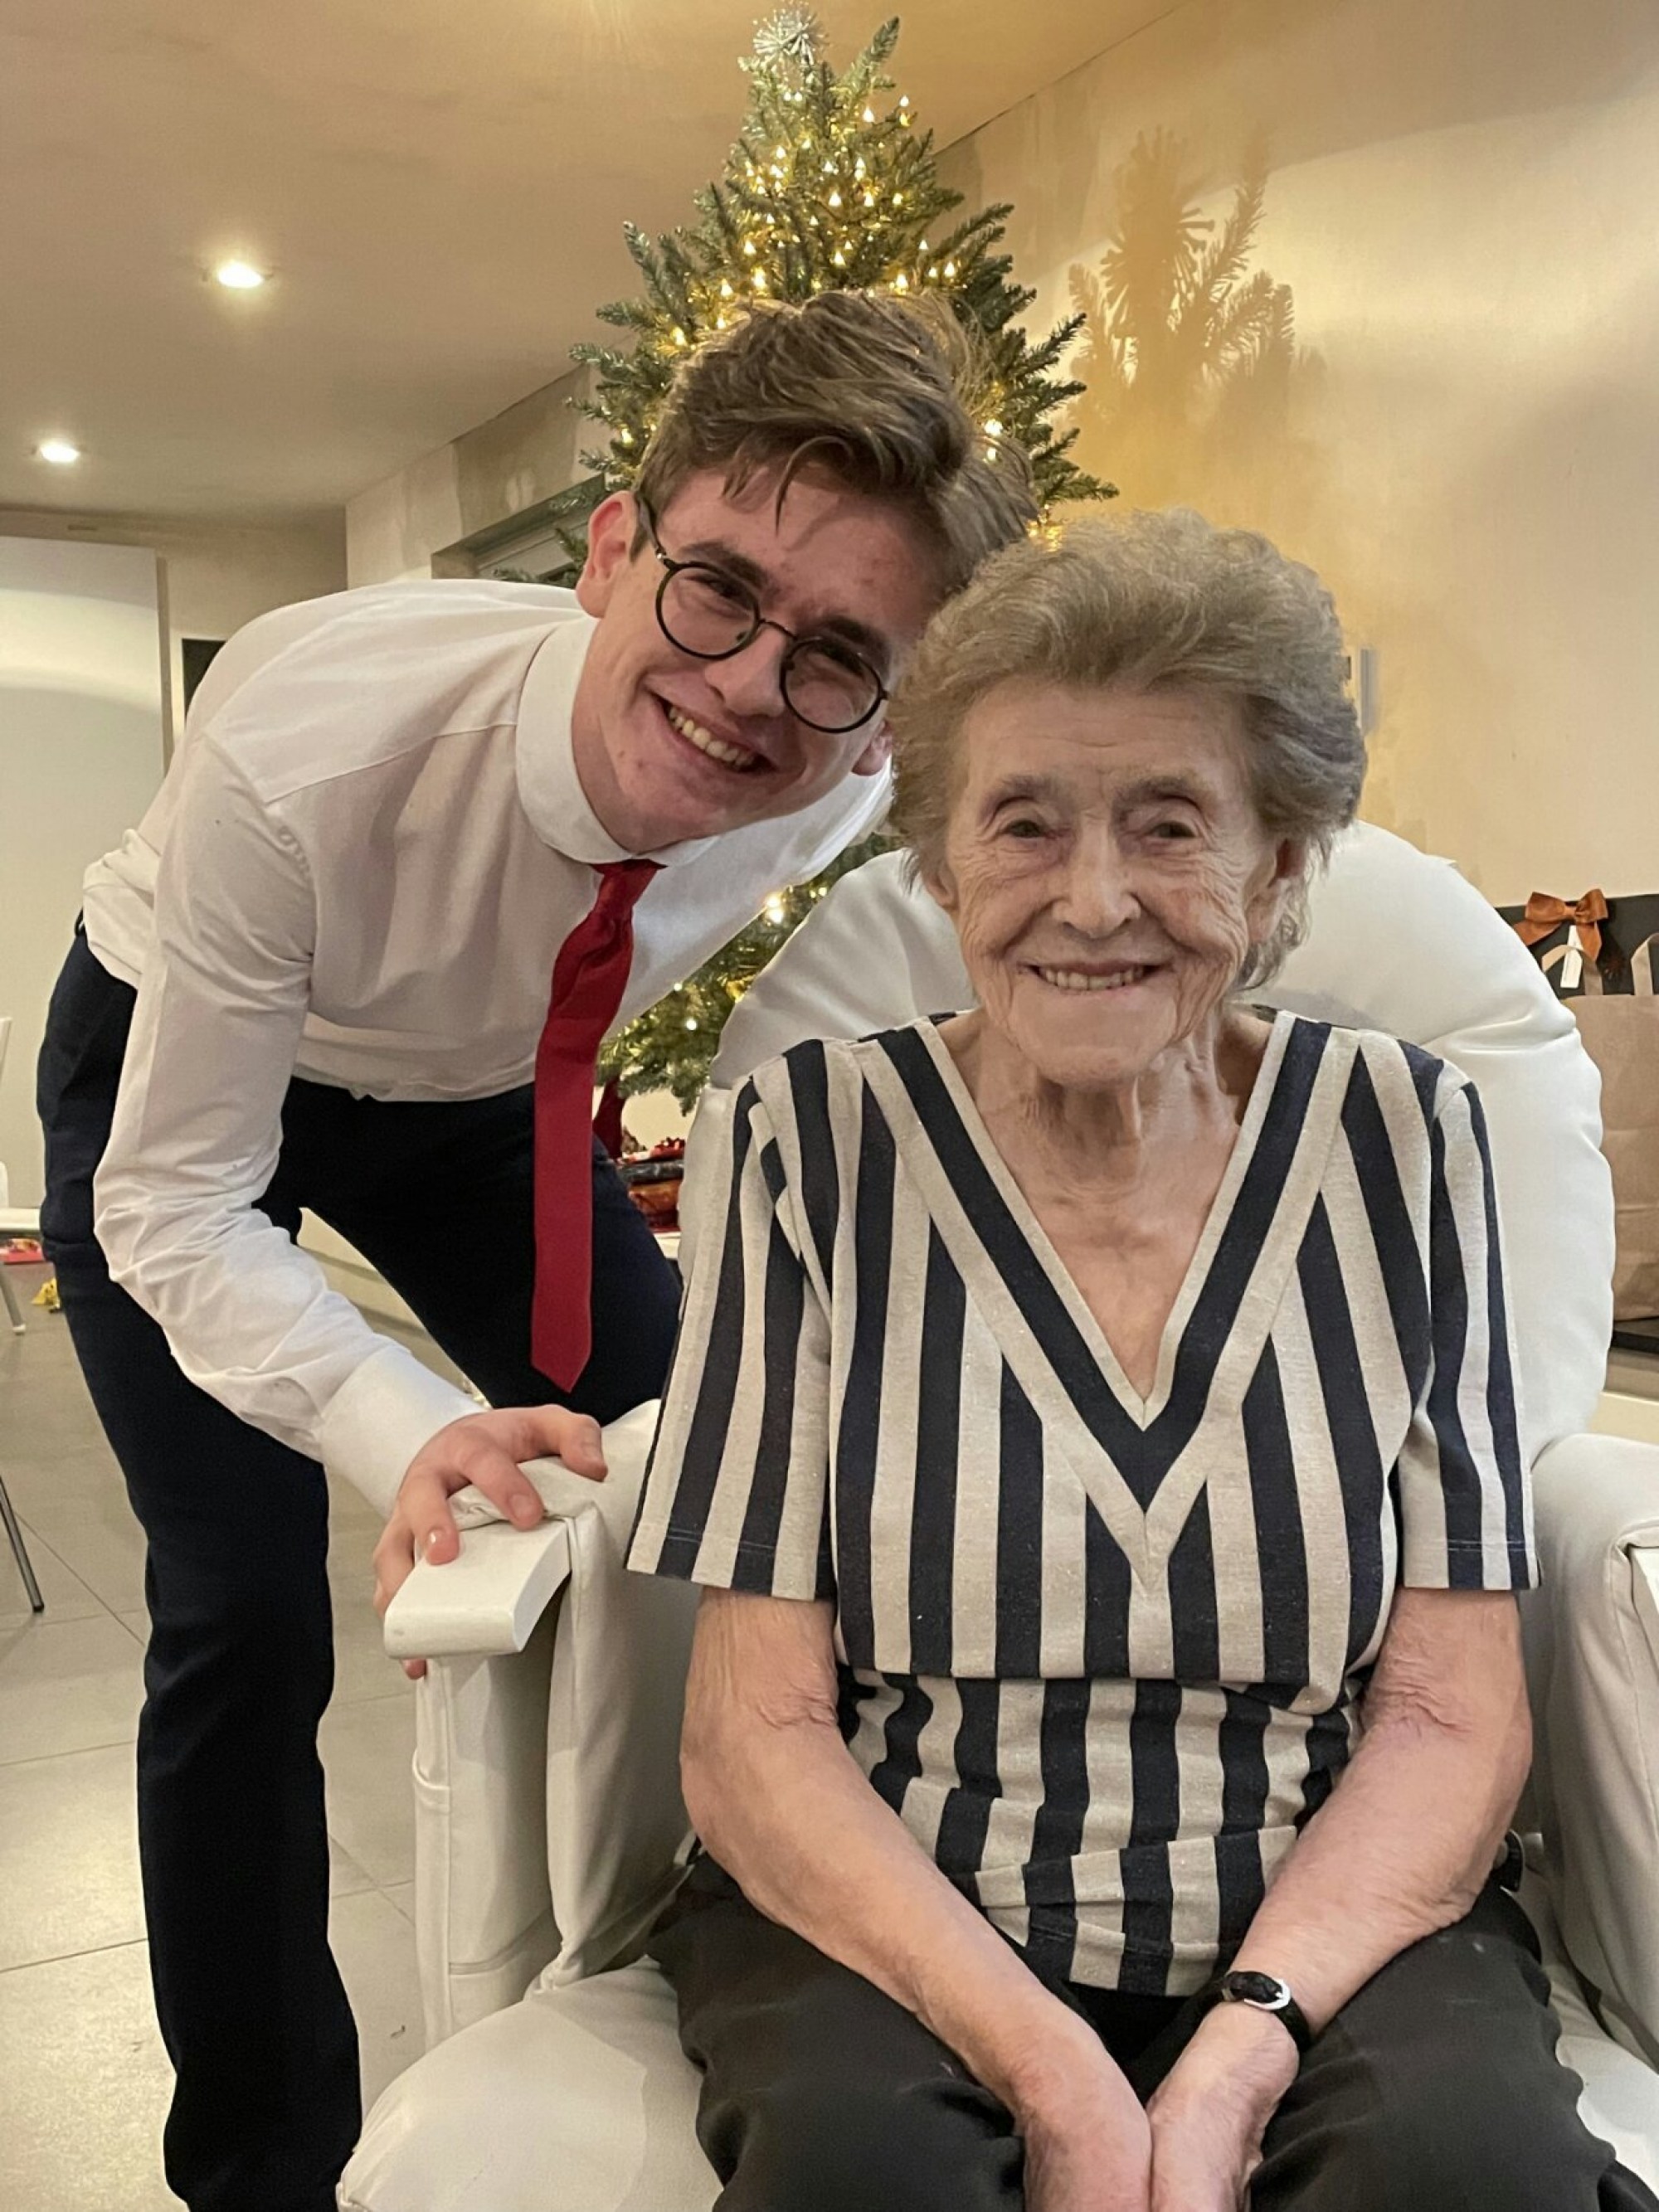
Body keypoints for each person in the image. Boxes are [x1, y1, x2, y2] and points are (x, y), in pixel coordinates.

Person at [34, 293, 1039, 2212]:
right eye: (717, 590)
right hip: (192, 1061)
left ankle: (792, 1959)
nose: (750, 688)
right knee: (240, 1608)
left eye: (839, 653)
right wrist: (398, 1416)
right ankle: (260, 2165)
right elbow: (177, 1197)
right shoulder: (311, 734)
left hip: (490, 1094)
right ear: (610, 548)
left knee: (721, 1488)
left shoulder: (847, 774)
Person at [628, 511, 1657, 2211]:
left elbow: (1448, 1709)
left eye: (1170, 824)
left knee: (1469, 2175)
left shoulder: (1407, 1139)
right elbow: (756, 1728)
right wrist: (1055, 2075)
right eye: (1024, 822)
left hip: (1321, 1914)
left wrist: (1243, 2046)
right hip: (893, 1905)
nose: (1092, 897)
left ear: (1280, 869)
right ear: (943, 867)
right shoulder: (805, 1145)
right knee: (862, 2180)